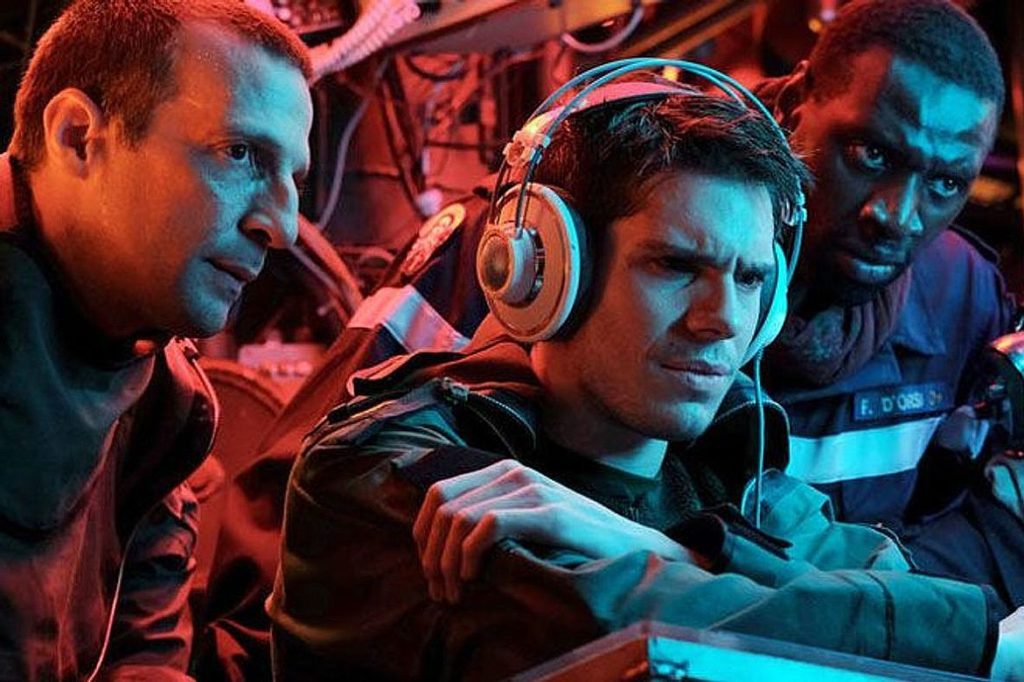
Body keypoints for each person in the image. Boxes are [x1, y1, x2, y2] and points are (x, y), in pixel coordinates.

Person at [268, 79, 1023, 680]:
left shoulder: (734, 473)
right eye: (675, 266)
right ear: (547, 270)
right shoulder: (385, 465)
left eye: (750, 279)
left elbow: (917, 593)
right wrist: (977, 647)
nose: (722, 321)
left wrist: (668, 549)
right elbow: (617, 630)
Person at [0, 0, 312, 679]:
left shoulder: (165, 400)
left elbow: (145, 654)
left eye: (294, 178)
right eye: (240, 153)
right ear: (78, 137)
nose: (283, 228)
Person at [752, 0, 1024, 607]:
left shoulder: (961, 295)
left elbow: (1008, 531)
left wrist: (888, 590)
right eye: (870, 154)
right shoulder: (669, 256)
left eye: (945, 183)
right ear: (795, 104)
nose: (897, 217)